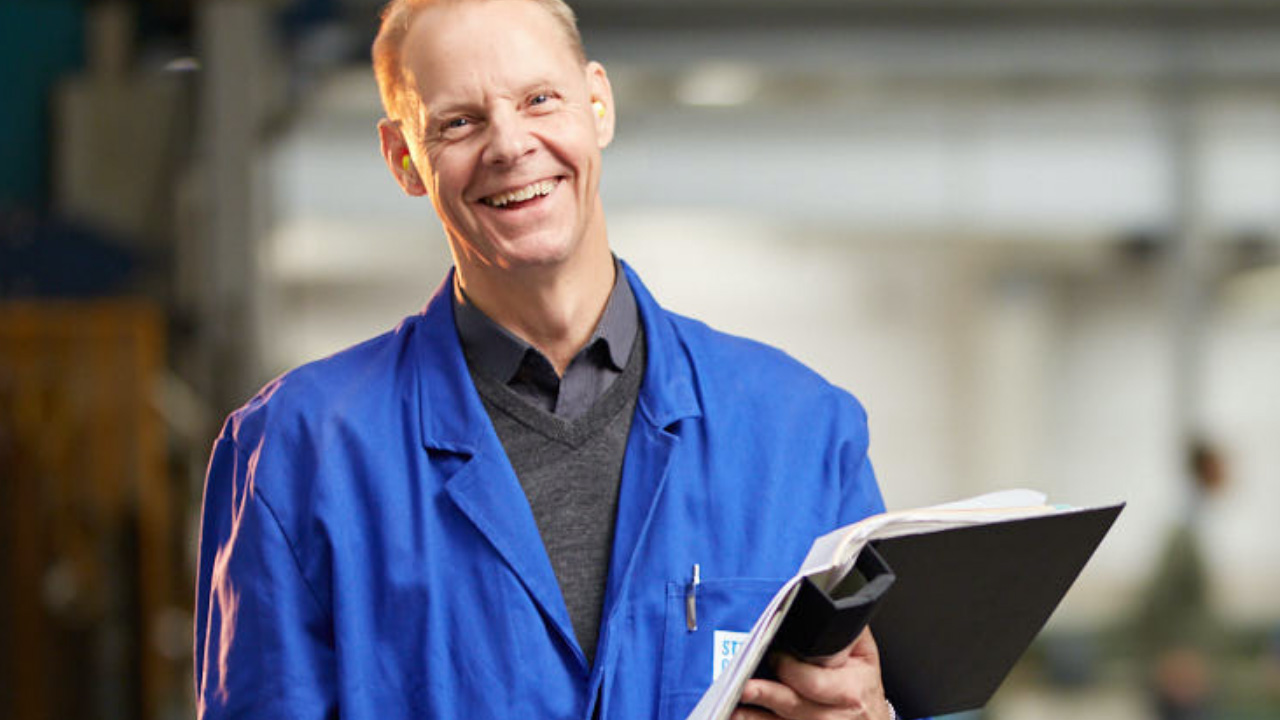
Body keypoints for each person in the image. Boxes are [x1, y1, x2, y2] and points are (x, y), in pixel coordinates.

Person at [193, 1, 895, 718]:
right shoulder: (299, 453)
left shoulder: (803, 431)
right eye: (459, 122)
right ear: (403, 158)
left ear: (597, 104)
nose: (509, 144)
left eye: (538, 99)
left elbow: (888, 689)